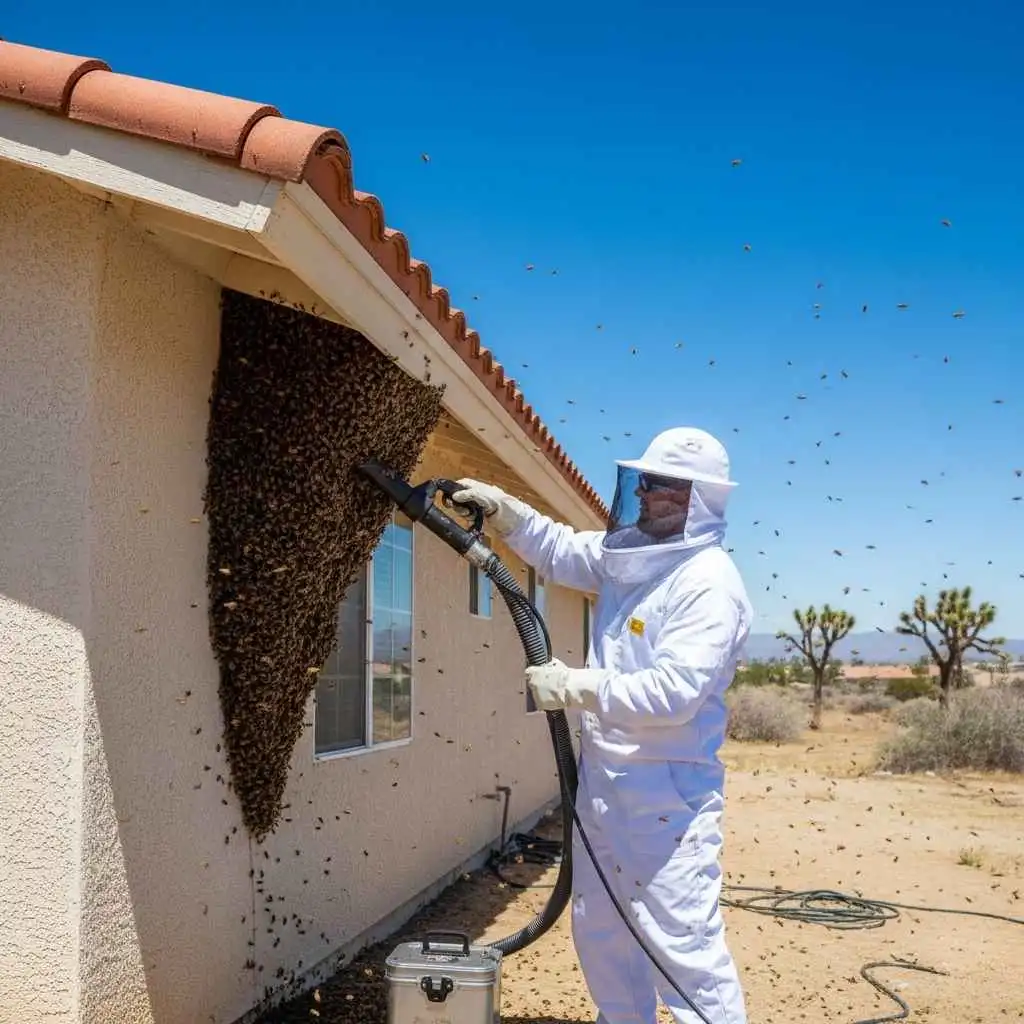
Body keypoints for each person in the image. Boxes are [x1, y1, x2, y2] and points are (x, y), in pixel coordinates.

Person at [453, 426, 751, 1024]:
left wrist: (574, 686)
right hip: (604, 784)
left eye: (660, 486)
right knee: (605, 935)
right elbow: (561, 550)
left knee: (680, 949)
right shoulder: (632, 559)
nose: (643, 495)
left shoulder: (708, 583)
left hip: (666, 795)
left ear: (698, 500)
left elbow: (675, 694)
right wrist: (508, 514)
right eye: (643, 483)